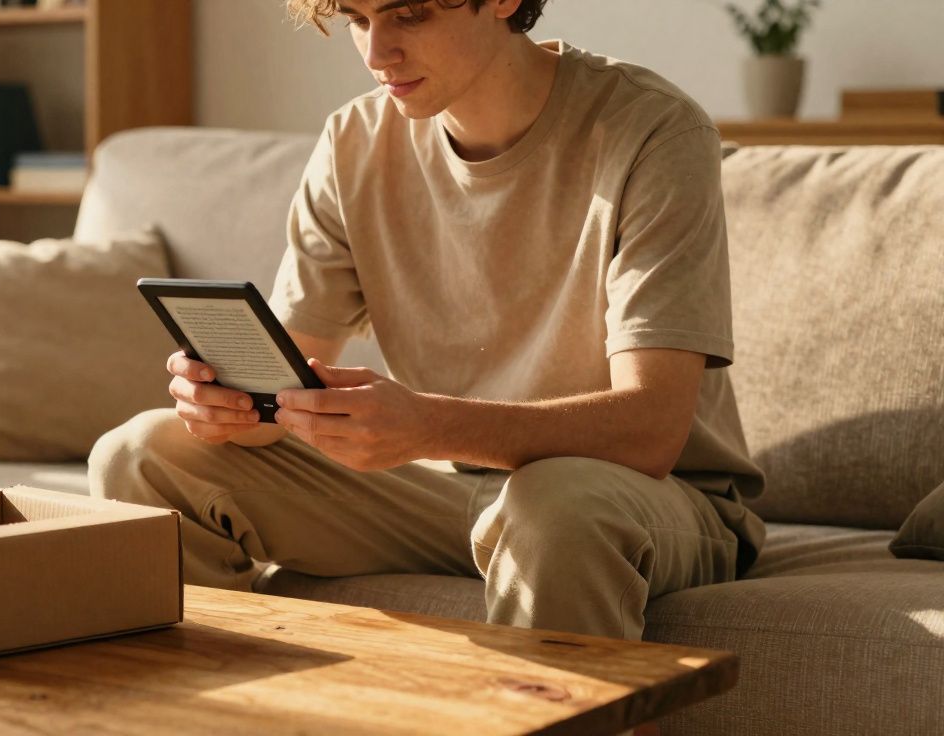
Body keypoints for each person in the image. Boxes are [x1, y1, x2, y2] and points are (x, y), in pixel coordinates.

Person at [90, 0, 766, 643]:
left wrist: (425, 425)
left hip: (639, 498)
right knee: (142, 454)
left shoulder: (652, 130)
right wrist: (230, 405)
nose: (376, 53)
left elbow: (652, 429)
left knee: (553, 506)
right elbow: (282, 394)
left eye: (408, 15)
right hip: (438, 491)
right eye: (358, 20)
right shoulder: (353, 143)